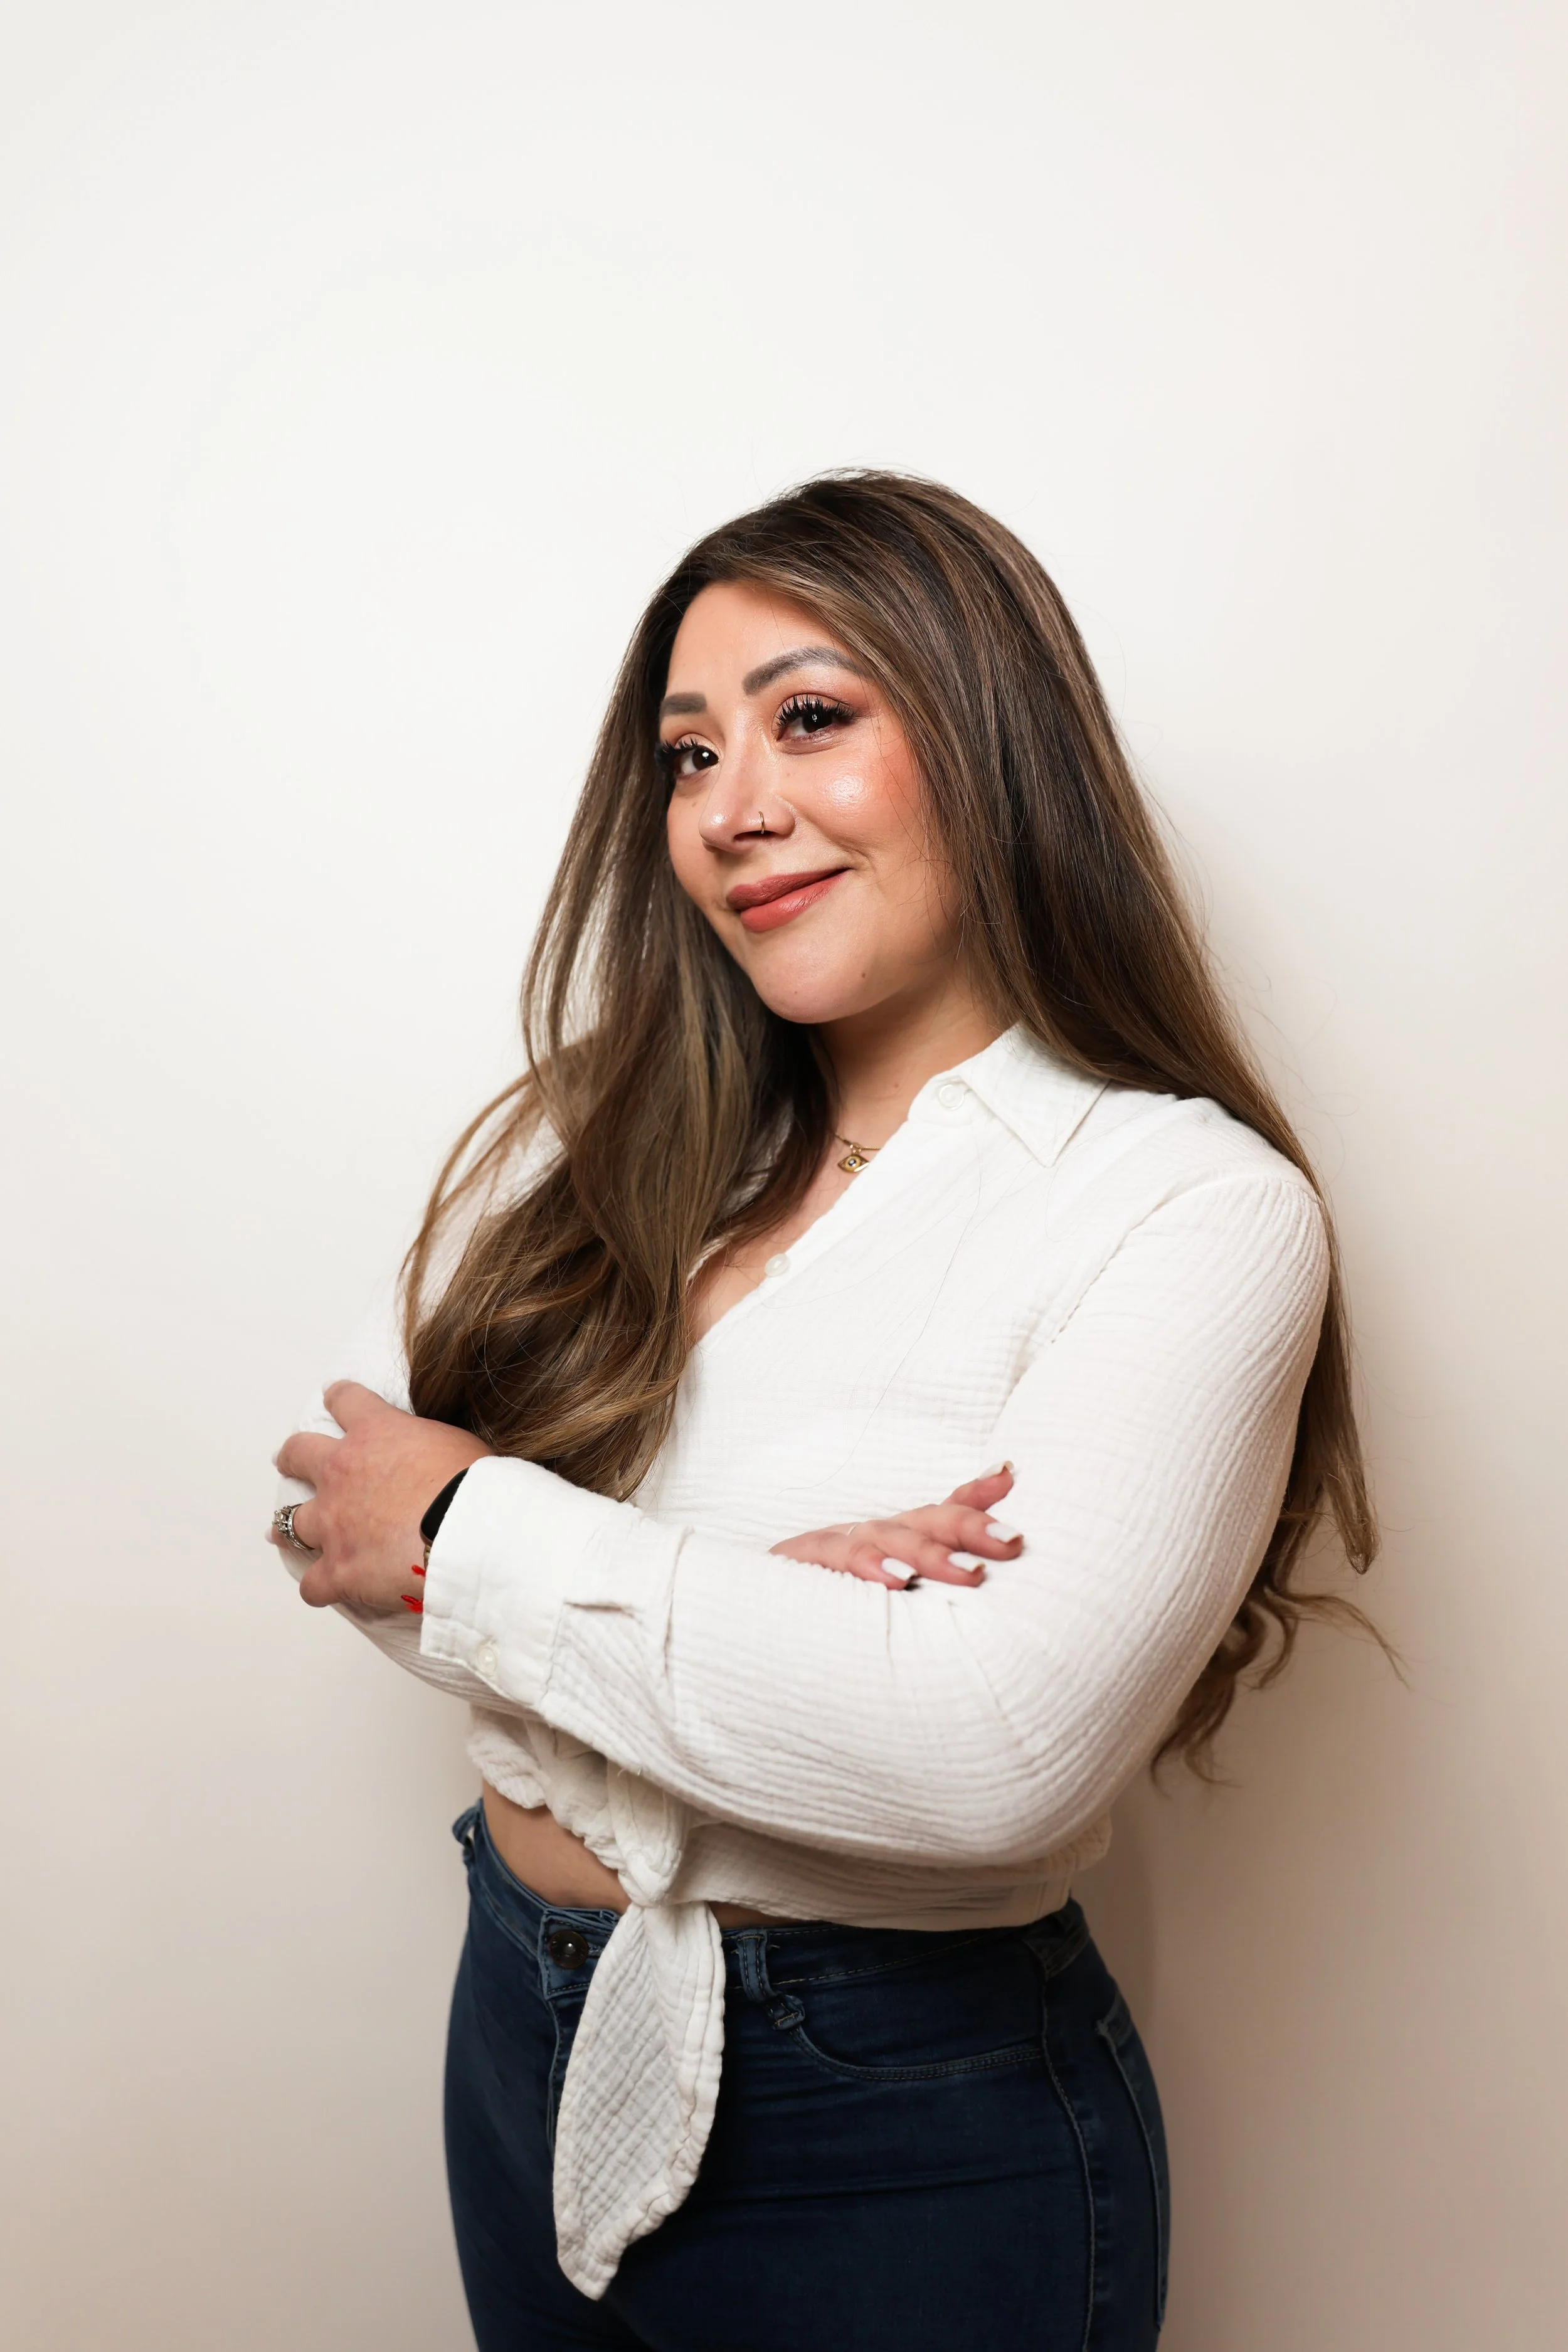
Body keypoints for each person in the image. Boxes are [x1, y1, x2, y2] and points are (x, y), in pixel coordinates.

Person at [271, 472, 1376, 2350]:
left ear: (987, 732)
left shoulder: (1181, 1204)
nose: (732, 808)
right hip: (515, 2019)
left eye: (810, 718)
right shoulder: (627, 1150)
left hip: (892, 2118)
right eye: (687, 753)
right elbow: (358, 1534)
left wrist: (507, 1544)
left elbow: (993, 1745)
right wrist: (709, 1586)